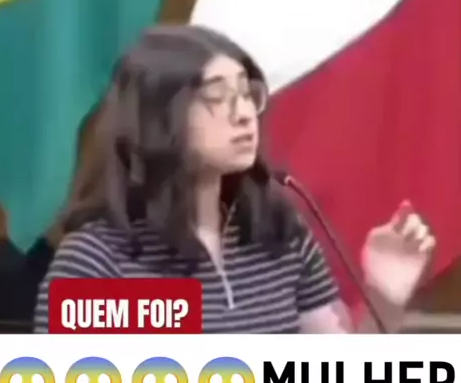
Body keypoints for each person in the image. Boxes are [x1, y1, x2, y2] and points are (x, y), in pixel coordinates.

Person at [33, 24, 435, 335]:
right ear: (157, 116)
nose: (243, 113)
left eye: (246, 94)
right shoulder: (97, 260)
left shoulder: (280, 233)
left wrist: (384, 295)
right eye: (216, 96)